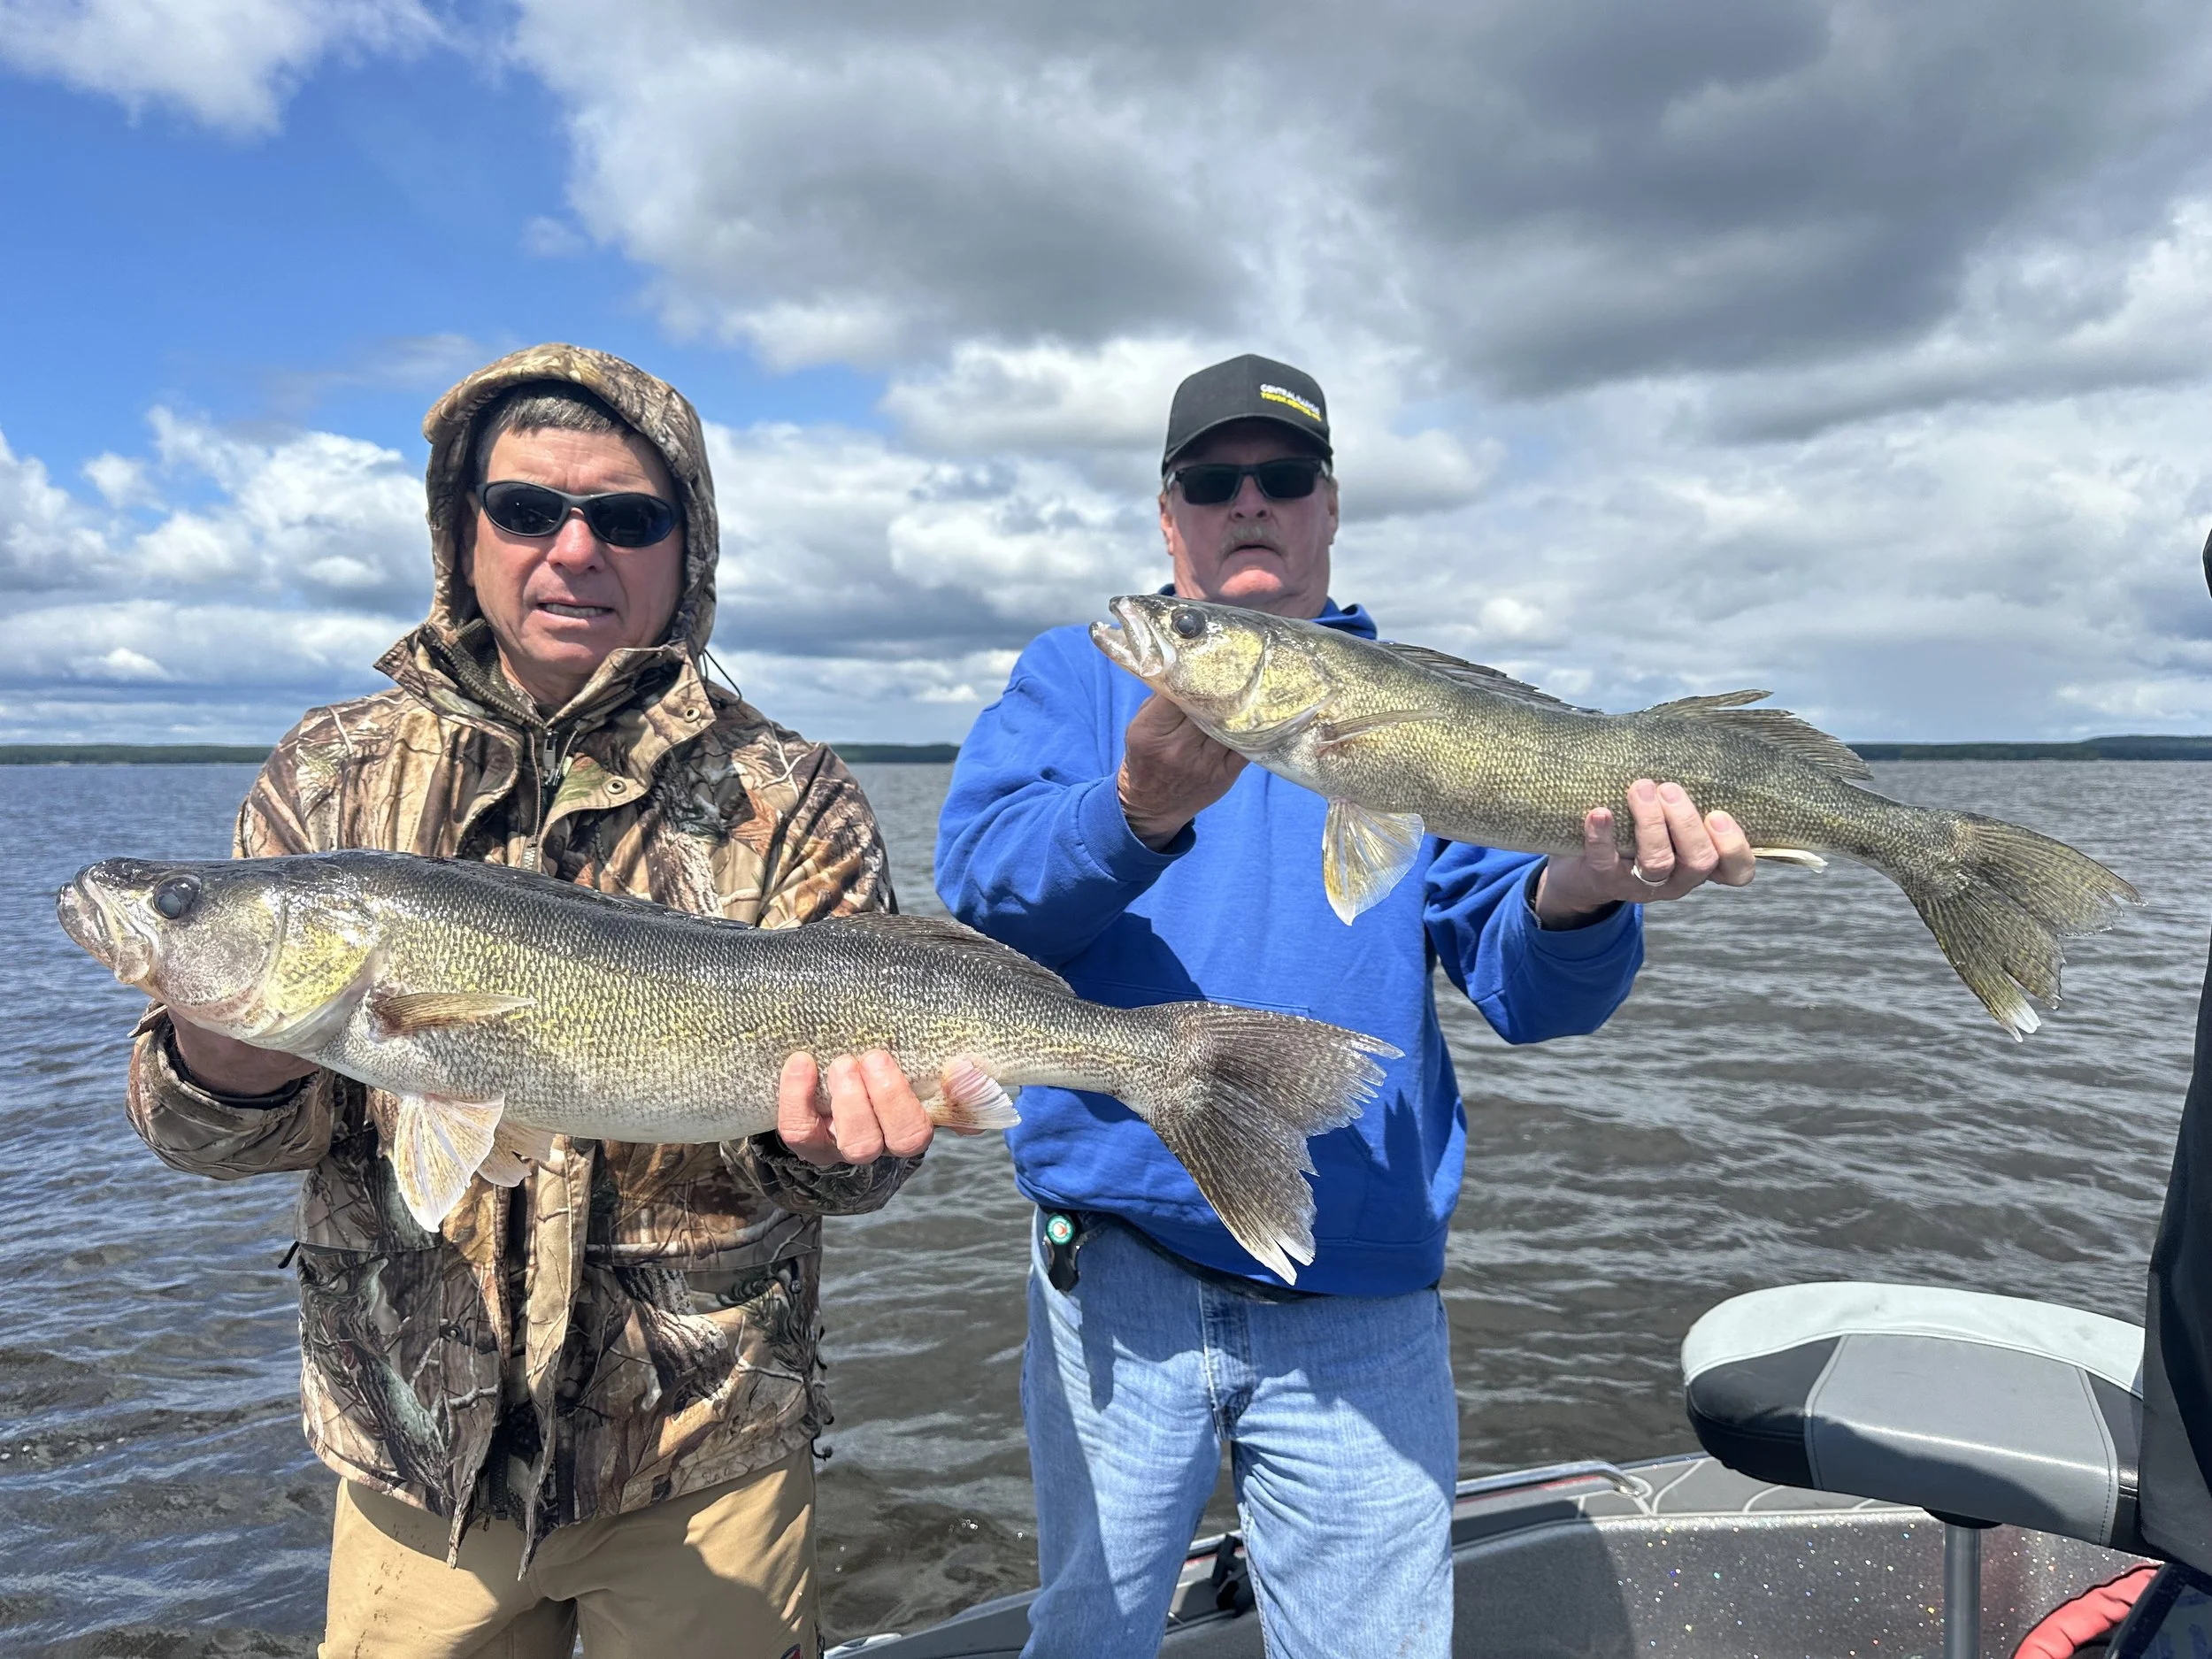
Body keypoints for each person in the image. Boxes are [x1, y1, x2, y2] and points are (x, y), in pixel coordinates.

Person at [933, 354, 1757, 1657]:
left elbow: (1531, 988)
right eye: (1213, 481)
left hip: (1361, 1292)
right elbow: (982, 898)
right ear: (1169, 518)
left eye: (1283, 477)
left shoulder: (1430, 703)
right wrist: (1134, 808)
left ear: (1328, 508)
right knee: (1088, 1628)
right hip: (1115, 1272)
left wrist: (1586, 890)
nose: (1247, 502)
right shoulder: (1080, 675)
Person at [125, 343, 941, 1659]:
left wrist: (842, 1150)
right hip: (410, 1466)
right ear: (462, 528)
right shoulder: (326, 780)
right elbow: (209, 1136)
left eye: (626, 518)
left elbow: (842, 1176)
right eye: (525, 509)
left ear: (689, 549)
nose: (574, 549)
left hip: (705, 1464)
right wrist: (221, 1056)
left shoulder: (795, 794)